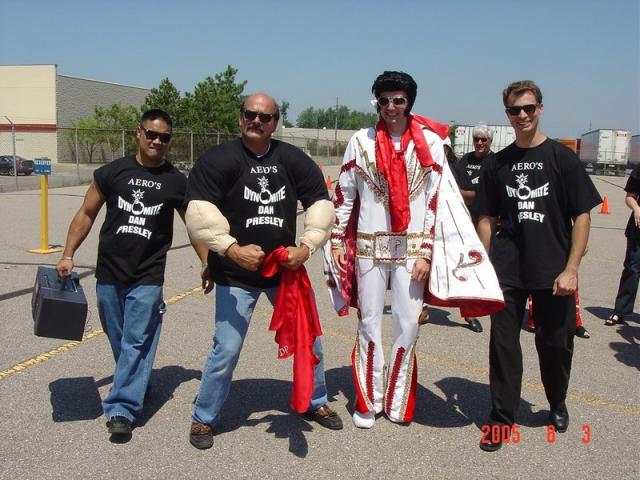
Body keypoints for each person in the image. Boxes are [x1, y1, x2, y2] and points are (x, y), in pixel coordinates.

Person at [184, 93, 342, 450]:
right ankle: (203, 417)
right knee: (226, 348)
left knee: (309, 339)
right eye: (251, 115)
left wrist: (306, 247)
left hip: (283, 273)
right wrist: (230, 250)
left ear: (276, 121)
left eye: (265, 117)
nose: (257, 121)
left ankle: (315, 401)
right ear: (240, 118)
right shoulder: (219, 159)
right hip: (235, 273)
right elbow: (197, 211)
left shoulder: (291, 158)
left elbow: (319, 201)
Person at [55, 109, 210, 438]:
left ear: (169, 141)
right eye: (151, 134)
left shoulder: (176, 181)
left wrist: (206, 261)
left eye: (164, 137)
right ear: (138, 133)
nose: (157, 141)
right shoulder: (112, 172)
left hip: (148, 275)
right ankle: (138, 382)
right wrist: (68, 254)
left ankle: (121, 409)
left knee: (136, 341)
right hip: (109, 273)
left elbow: (194, 227)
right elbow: (86, 213)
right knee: (121, 340)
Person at [475, 80, 601, 452]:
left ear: (540, 109)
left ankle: (557, 401)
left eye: (529, 108)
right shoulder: (497, 163)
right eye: (516, 110)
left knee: (555, 344)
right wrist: (483, 262)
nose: (523, 115)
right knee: (502, 346)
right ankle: (500, 419)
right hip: (508, 271)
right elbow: (486, 215)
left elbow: (582, 215)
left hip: (553, 271)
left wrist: (572, 267)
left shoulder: (562, 159)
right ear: (508, 115)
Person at [329, 71, 450, 428]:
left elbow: (435, 199)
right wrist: (337, 240)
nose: (392, 107)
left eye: (398, 100)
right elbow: (345, 193)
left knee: (408, 323)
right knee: (368, 322)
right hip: (369, 247)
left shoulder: (430, 142)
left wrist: (427, 250)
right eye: (384, 101)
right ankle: (368, 401)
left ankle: (397, 401)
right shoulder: (360, 140)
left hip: (412, 250)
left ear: (409, 101)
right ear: (376, 103)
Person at [452, 124, 497, 333]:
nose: (480, 143)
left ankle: (474, 310)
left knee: (477, 266)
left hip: (484, 221)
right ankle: (425, 308)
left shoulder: (495, 162)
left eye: (484, 140)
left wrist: (462, 192)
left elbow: (480, 195)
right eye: (477, 139)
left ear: (490, 142)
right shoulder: (464, 161)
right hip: (461, 220)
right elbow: (454, 186)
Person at [607, 164, 640, 326]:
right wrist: (636, 208)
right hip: (638, 229)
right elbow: (630, 196)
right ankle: (620, 311)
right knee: (632, 270)